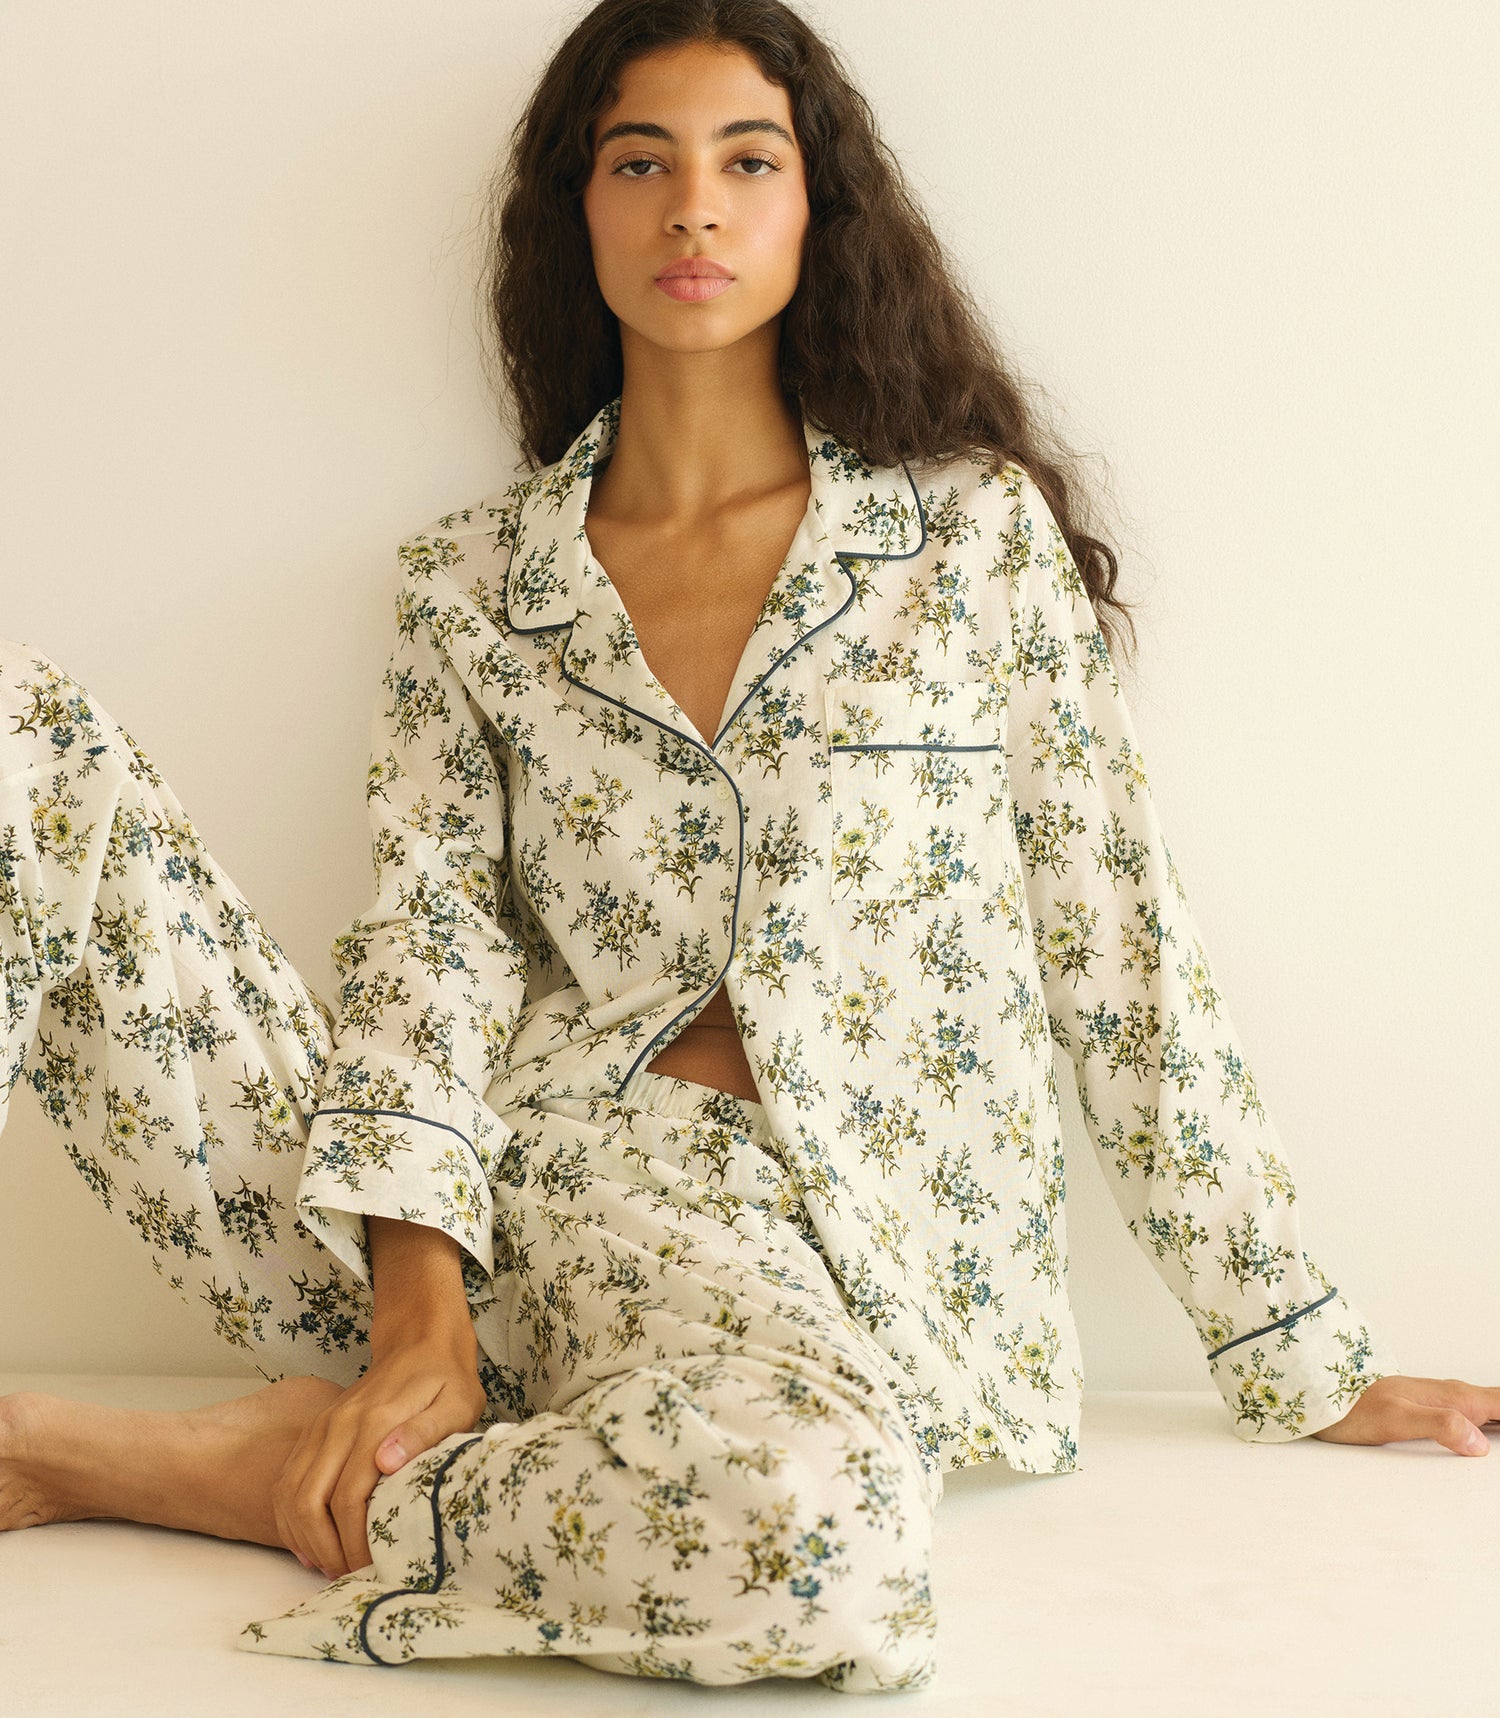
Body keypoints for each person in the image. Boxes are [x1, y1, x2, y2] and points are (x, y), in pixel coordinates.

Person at [1, 0, 1495, 1695]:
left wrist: (1293, 1348)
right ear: (578, 212)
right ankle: (412, 1399)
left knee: (822, 1533)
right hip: (469, 1214)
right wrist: (419, 1291)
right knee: (14, 729)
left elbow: (1116, 942)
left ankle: (211, 1468)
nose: (693, 207)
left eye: (746, 160)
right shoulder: (472, 586)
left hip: (807, 1277)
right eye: (641, 162)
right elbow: (429, 942)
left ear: (814, 208)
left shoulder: (967, 544)